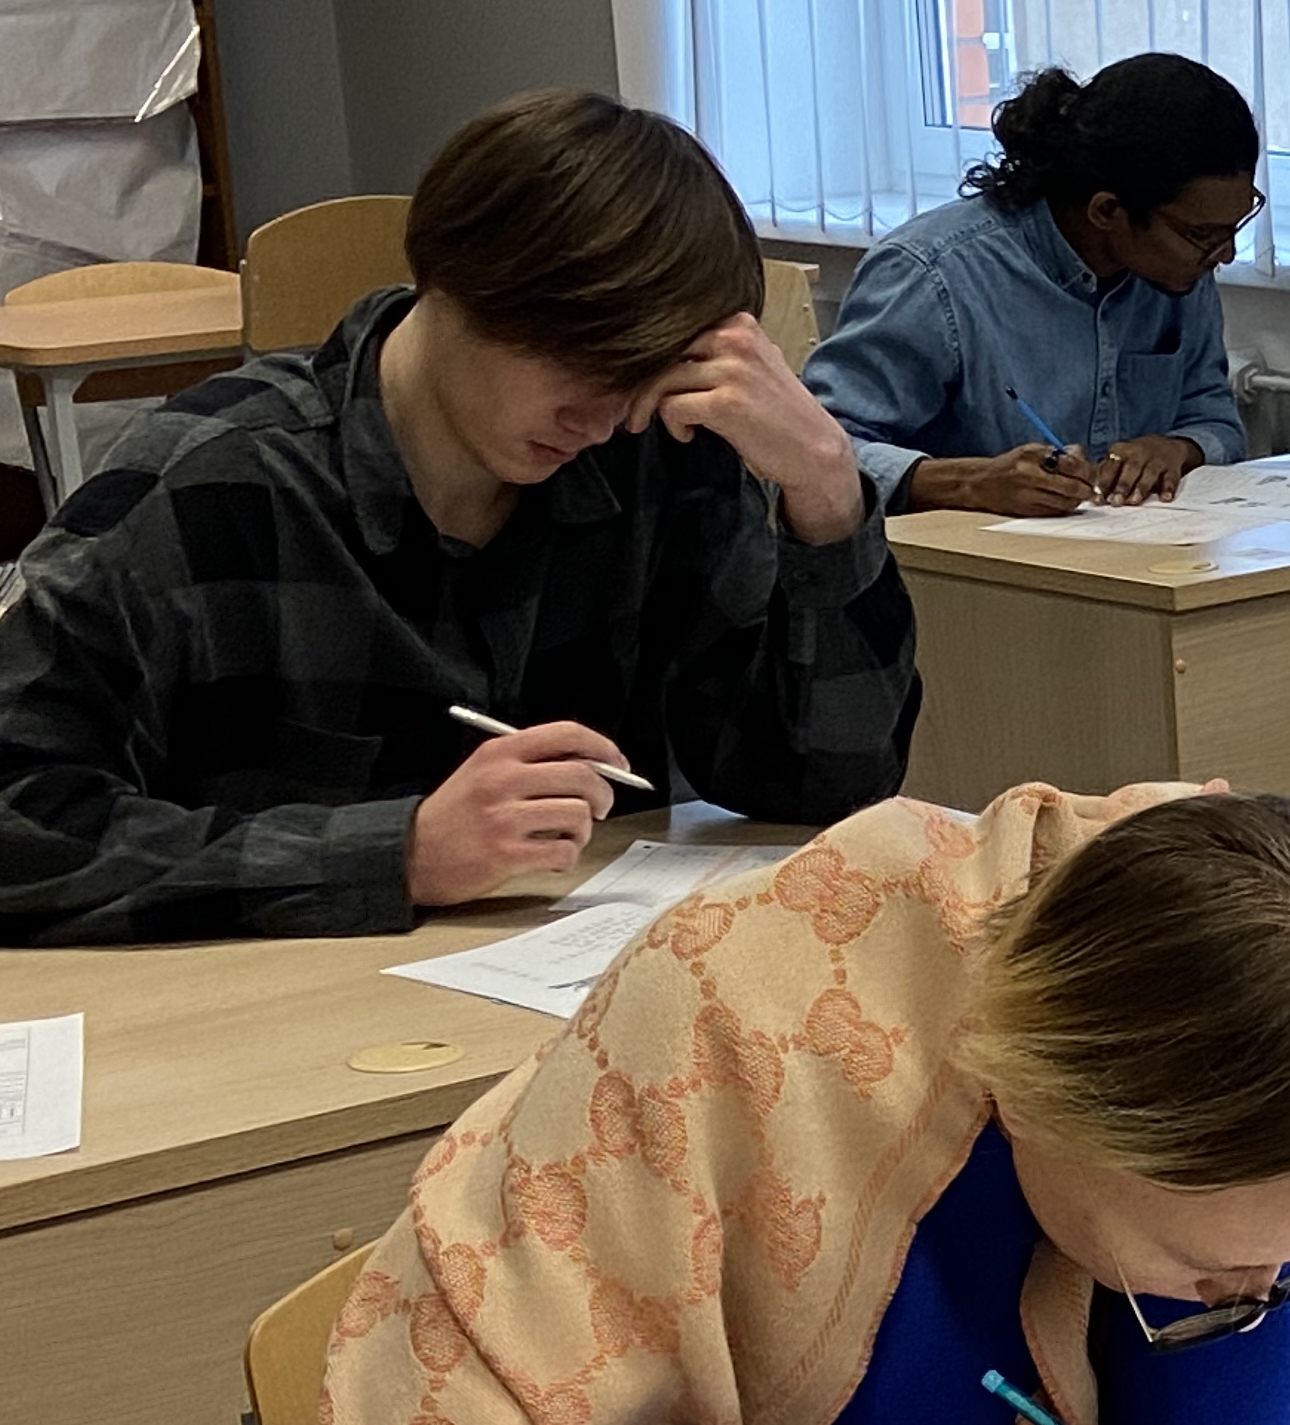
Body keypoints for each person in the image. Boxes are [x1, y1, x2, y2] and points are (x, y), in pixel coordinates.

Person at [308, 784, 1290, 1425]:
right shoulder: (731, 1037)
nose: (1261, 1300)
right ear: (1034, 1103)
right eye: (1216, 1268)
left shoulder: (1284, 1030)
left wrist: (1203, 1286)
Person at [0, 91, 917, 944]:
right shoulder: (208, 481)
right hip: (268, 1021)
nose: (599, 418)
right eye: (575, 361)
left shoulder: (656, 455)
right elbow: (17, 816)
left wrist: (827, 488)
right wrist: (396, 851)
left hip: (559, 998)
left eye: (638, 376)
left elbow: (817, 789)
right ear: (451, 281)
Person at [804, 54, 1262, 518]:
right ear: (1106, 211)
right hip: (961, 557)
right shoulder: (933, 275)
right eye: (1203, 234)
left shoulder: (1178, 270)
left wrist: (1178, 449)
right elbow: (819, 449)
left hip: (1129, 550)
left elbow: (1214, 417)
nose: (1224, 254)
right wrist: (968, 483)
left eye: (1235, 226)